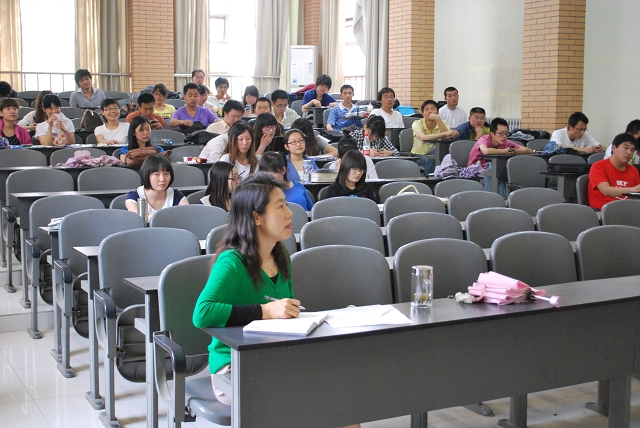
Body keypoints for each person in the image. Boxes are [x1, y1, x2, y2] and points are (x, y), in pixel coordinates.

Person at [192, 173, 299, 407]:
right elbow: (202, 313)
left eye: (287, 205)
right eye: (280, 206)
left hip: (274, 355)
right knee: (304, 396)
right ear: (256, 217)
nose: (289, 213)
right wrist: (264, 311)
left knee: (336, 393)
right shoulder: (232, 262)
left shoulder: (281, 255)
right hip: (233, 364)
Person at [468, 117, 533, 197]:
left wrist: (516, 151)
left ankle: (500, 201)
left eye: (506, 133)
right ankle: (493, 201)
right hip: (476, 173)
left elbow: (529, 150)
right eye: (501, 133)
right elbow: (486, 151)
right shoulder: (484, 139)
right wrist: (505, 151)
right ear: (492, 134)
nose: (504, 136)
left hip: (495, 172)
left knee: (500, 174)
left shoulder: (505, 142)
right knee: (495, 173)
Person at [125, 154, 188, 221]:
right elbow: (138, 220)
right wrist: (172, 216)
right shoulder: (134, 197)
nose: (162, 179)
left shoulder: (176, 195)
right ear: (146, 175)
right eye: (156, 174)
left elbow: (187, 216)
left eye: (166, 174)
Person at [588, 133, 640, 210]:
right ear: (614, 148)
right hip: (603, 211)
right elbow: (606, 190)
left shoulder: (633, 170)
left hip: (628, 211)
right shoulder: (598, 166)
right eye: (625, 148)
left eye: (632, 150)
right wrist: (632, 189)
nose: (629, 152)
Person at [412, 100, 458, 175]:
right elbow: (423, 138)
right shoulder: (417, 123)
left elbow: (447, 137)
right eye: (427, 109)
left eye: (433, 109)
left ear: (437, 112)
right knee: (433, 160)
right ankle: (431, 178)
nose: (430, 111)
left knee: (440, 154)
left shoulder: (443, 123)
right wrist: (445, 133)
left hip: (438, 154)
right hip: (419, 155)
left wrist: (438, 119)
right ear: (423, 114)